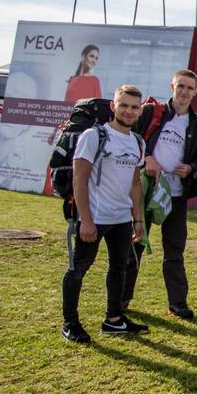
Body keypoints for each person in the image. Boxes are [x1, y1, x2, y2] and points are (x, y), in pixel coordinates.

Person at [61, 85, 147, 343]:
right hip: (94, 218)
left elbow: (134, 183)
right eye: (124, 105)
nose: (129, 111)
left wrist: (138, 218)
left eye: (134, 107)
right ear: (113, 106)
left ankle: (114, 319)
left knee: (120, 268)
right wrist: (86, 220)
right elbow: (80, 179)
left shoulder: (138, 141)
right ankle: (70, 323)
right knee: (78, 269)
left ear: (140, 110)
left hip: (121, 218)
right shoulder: (94, 136)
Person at [123, 69, 197, 319]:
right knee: (135, 243)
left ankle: (177, 303)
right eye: (180, 86)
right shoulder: (152, 112)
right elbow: (130, 139)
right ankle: (122, 299)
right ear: (172, 85)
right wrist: (147, 158)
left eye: (189, 88)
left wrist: (190, 168)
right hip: (145, 191)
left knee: (175, 250)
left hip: (176, 195)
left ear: (195, 92)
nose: (184, 92)